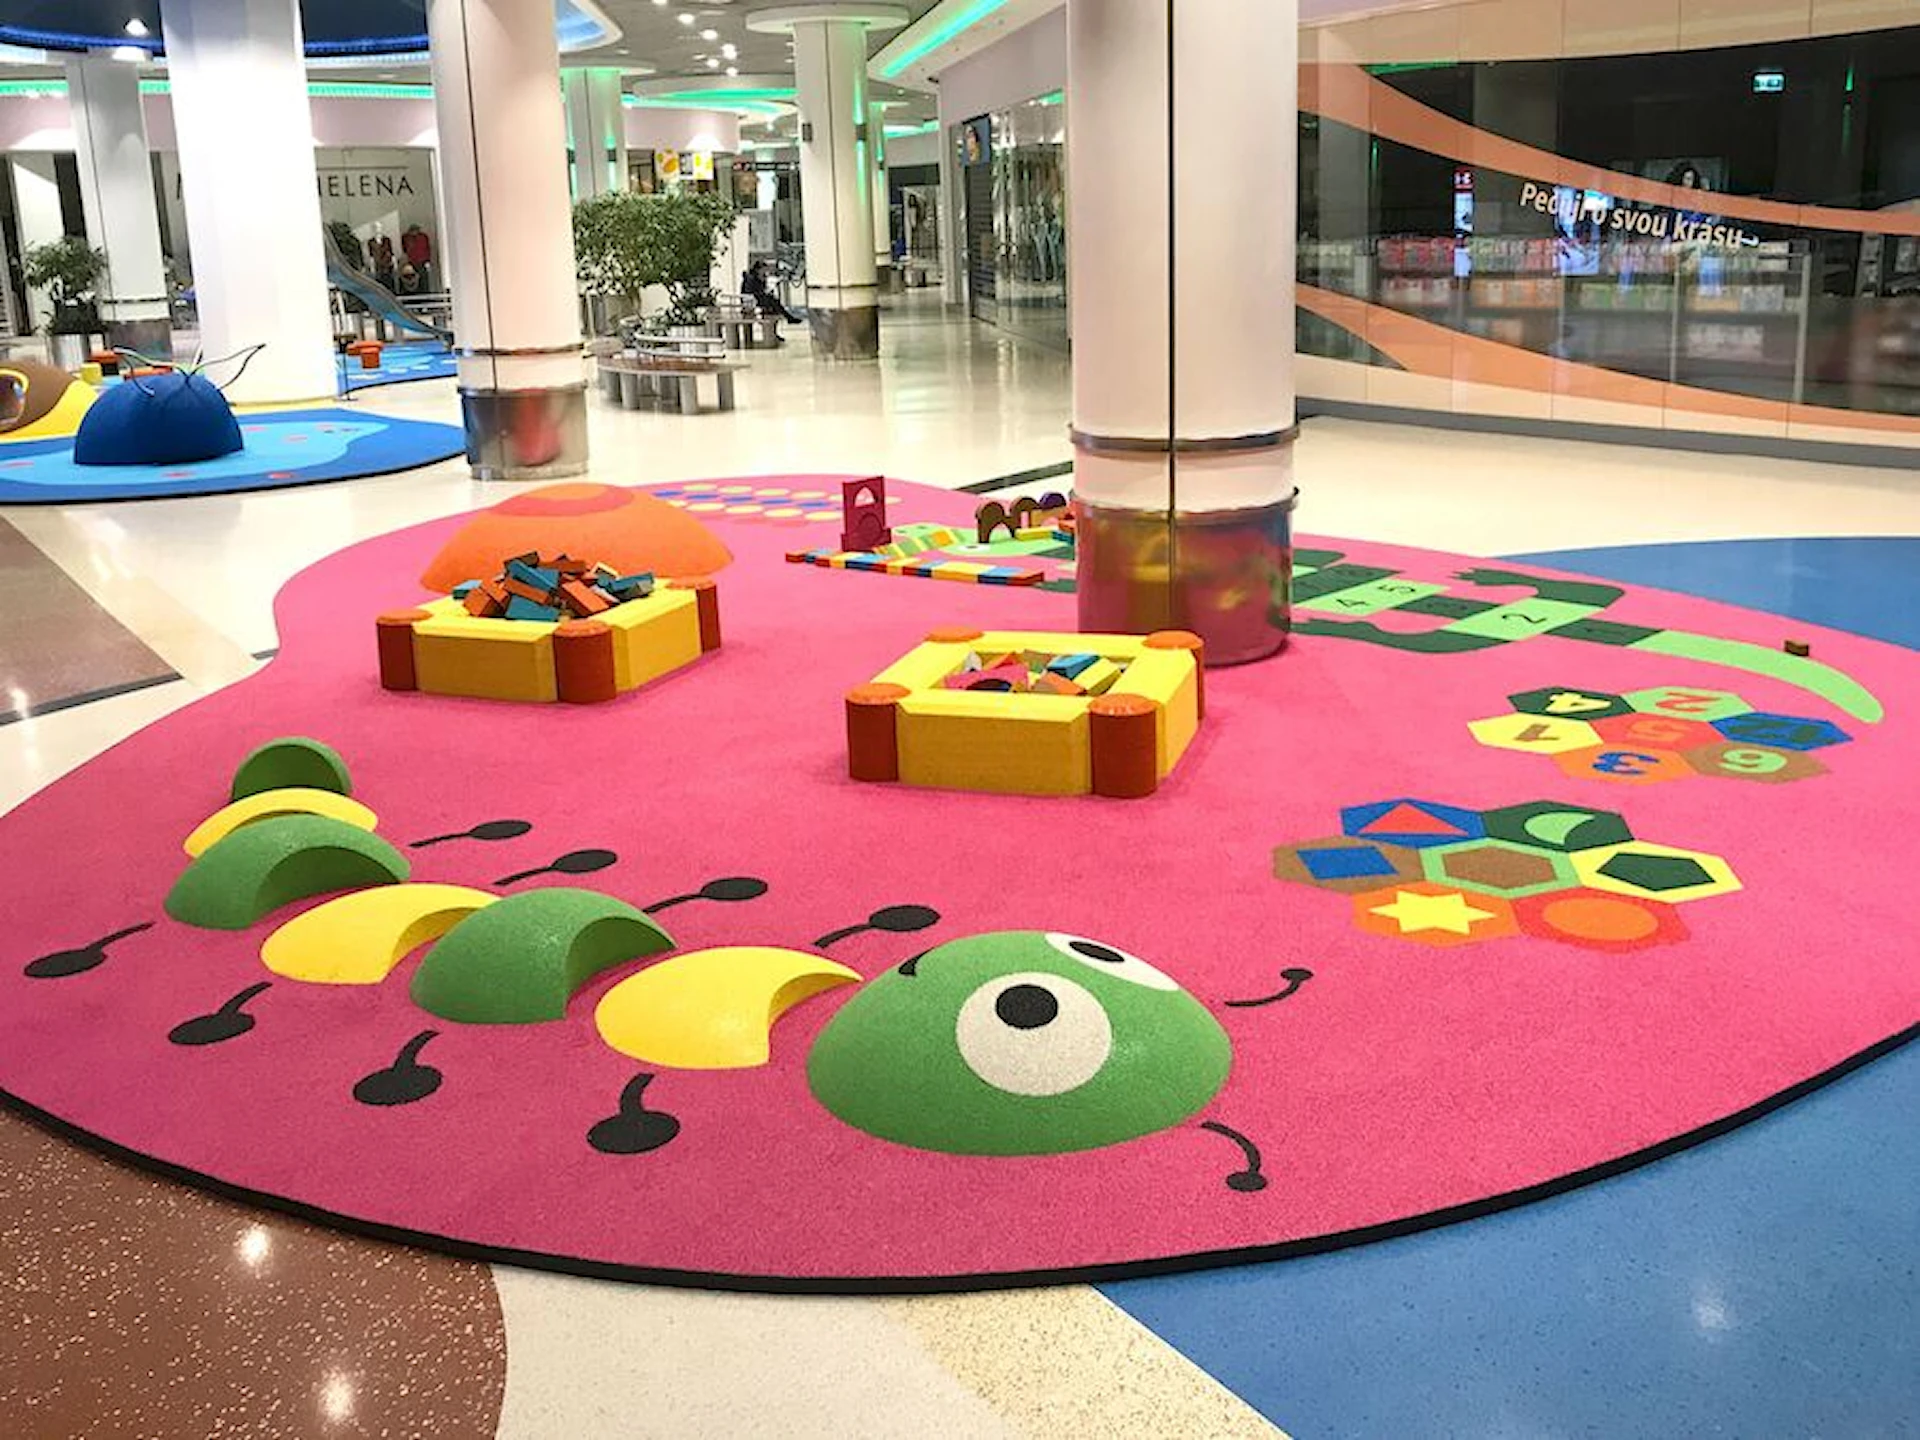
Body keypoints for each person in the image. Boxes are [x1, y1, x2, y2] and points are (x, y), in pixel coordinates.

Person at [742, 259, 799, 326]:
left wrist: (766, 289)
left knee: (773, 302)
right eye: (763, 270)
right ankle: (788, 318)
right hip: (751, 300)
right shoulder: (751, 278)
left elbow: (761, 290)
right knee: (773, 301)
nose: (765, 272)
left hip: (757, 298)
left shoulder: (759, 277)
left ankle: (785, 318)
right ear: (758, 270)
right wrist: (764, 291)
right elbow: (752, 291)